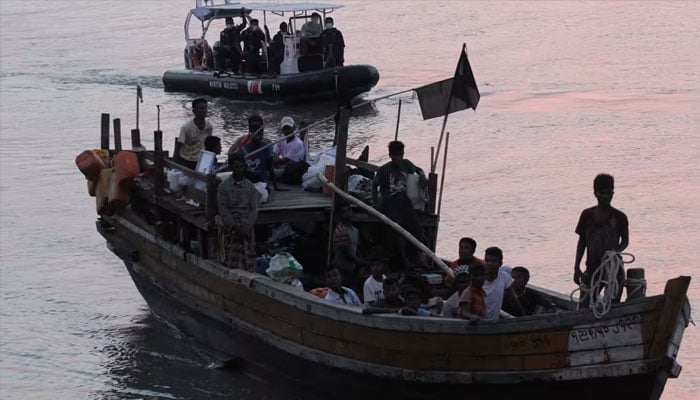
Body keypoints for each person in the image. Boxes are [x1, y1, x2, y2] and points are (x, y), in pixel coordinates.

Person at [574, 173, 629, 305]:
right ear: (595, 194)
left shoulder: (620, 217)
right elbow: (582, 242)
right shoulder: (587, 215)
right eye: (603, 193)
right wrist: (576, 267)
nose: (606, 197)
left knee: (613, 305)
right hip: (592, 268)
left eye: (610, 193)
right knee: (584, 305)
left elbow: (625, 241)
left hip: (613, 270)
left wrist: (616, 251)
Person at [372, 141, 428, 268]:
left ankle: (416, 256)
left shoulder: (406, 164)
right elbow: (374, 186)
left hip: (404, 203)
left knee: (416, 229)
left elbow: (418, 169)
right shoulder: (383, 170)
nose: (398, 158)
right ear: (390, 155)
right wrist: (375, 203)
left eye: (400, 155)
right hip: (389, 203)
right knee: (395, 231)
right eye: (395, 155)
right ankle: (402, 259)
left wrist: (422, 175)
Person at [217, 153, 259, 271]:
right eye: (236, 167)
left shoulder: (250, 187)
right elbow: (223, 209)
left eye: (241, 167)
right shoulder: (223, 187)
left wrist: (246, 225)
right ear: (231, 168)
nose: (239, 170)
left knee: (248, 259)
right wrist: (234, 226)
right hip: (231, 227)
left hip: (246, 225)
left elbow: (253, 209)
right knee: (231, 260)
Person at [482, 247, 524, 320]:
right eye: (487, 260)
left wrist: (524, 318)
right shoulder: (477, 278)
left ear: (500, 263)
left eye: (493, 261)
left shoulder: (504, 277)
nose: (489, 264)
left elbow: (513, 300)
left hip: (493, 323)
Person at [332, 204, 367, 288]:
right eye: (344, 211)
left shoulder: (355, 230)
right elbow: (346, 253)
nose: (347, 213)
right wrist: (362, 263)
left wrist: (361, 260)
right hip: (342, 268)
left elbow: (357, 247)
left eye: (349, 210)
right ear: (340, 215)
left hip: (352, 268)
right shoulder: (340, 230)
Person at [177, 98, 212, 170]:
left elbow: (209, 144)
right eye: (200, 108)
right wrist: (175, 165)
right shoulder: (186, 127)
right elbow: (179, 145)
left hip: (202, 159)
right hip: (187, 160)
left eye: (205, 108)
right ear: (194, 111)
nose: (203, 111)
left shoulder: (209, 126)